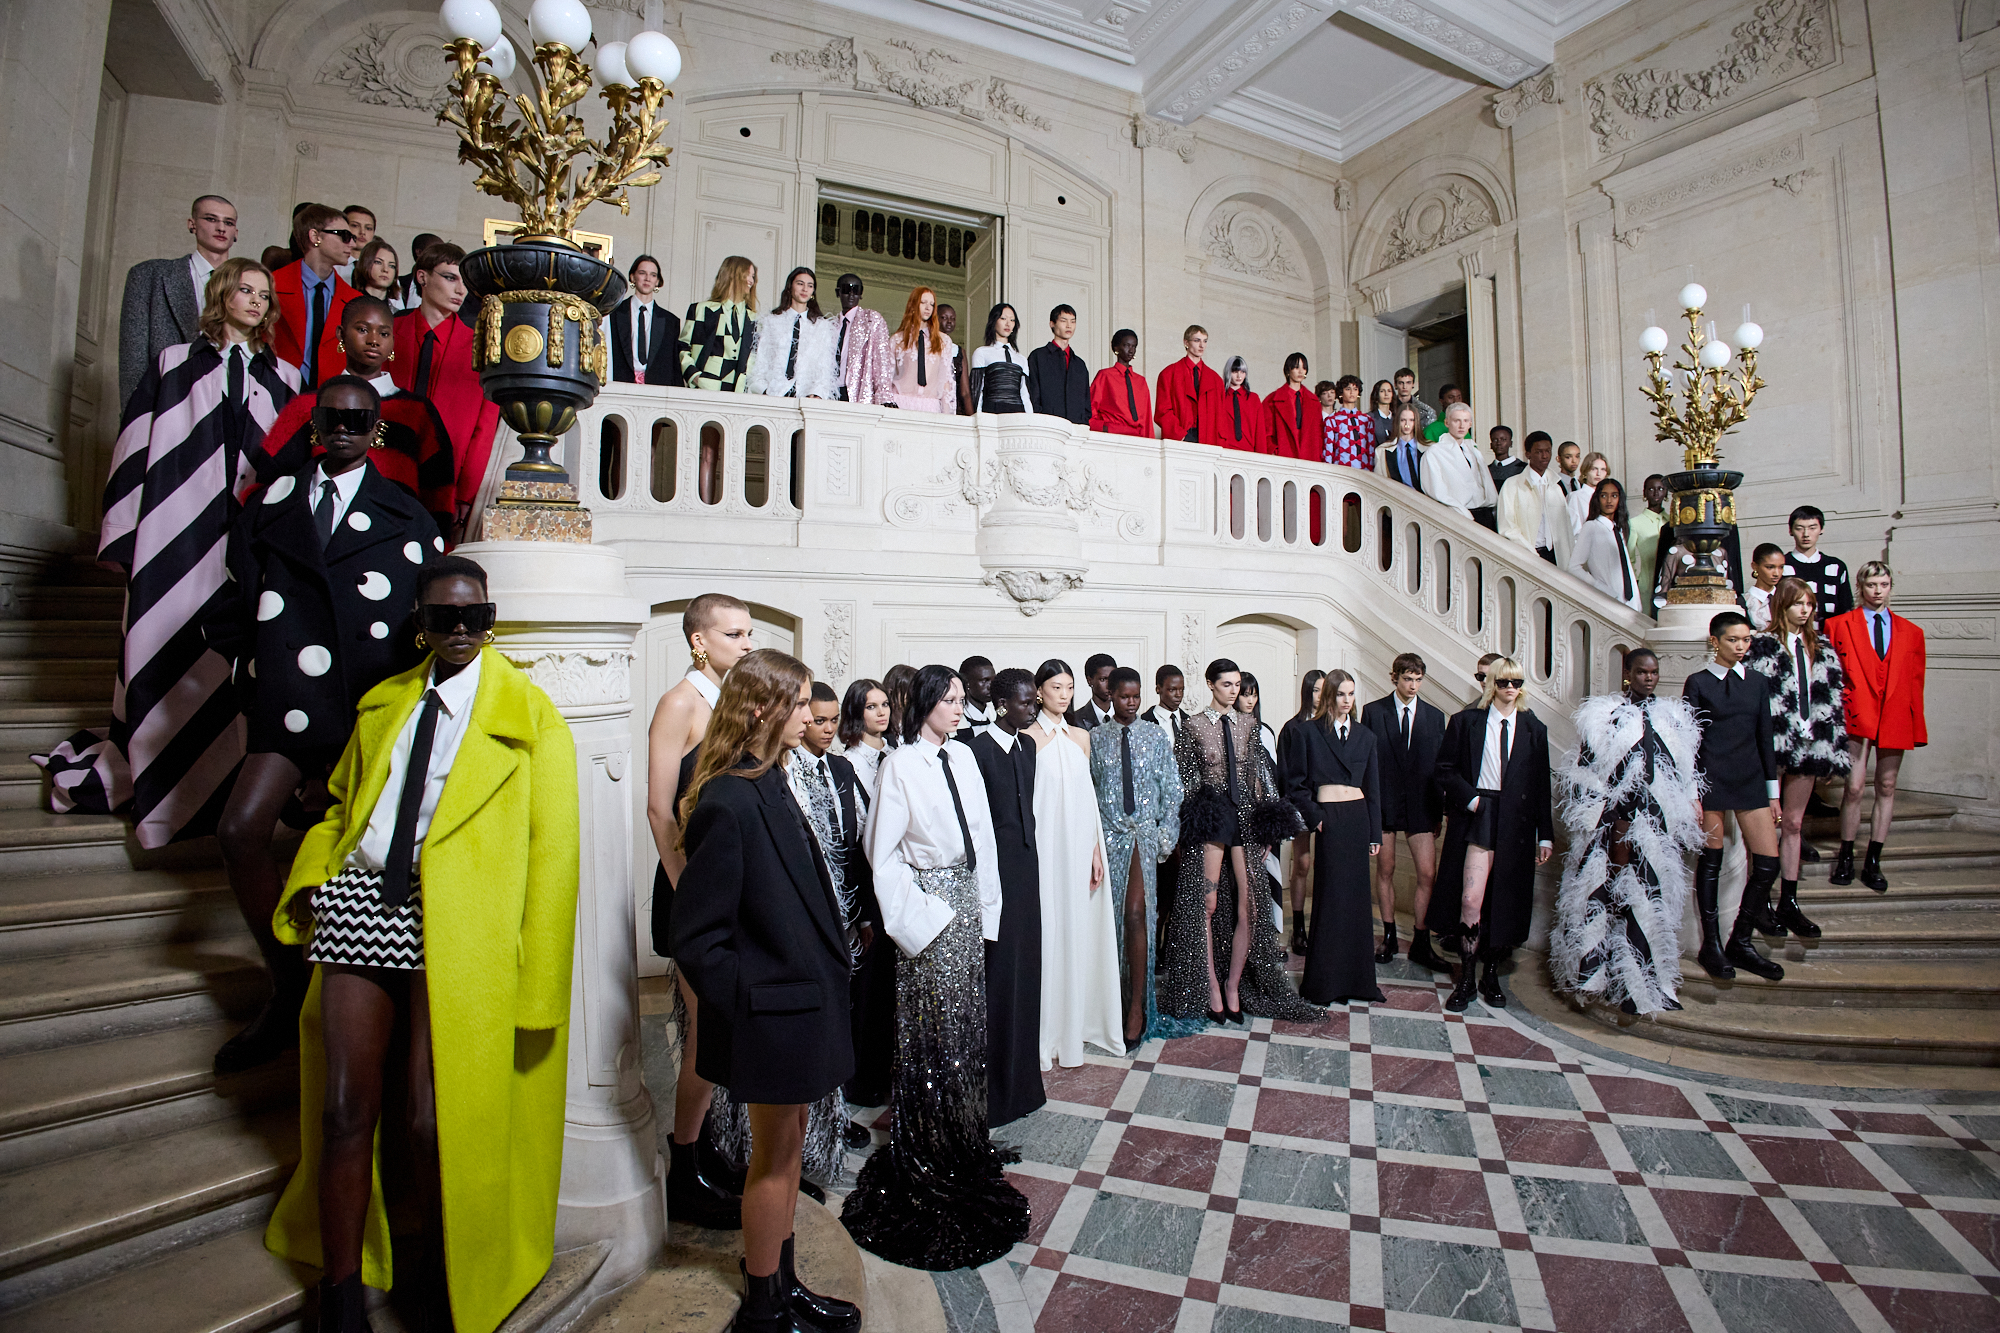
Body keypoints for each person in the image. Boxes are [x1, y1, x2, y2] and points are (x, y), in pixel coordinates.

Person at [263, 555, 578, 1333]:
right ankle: (341, 1295)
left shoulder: (531, 716)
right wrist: (314, 880)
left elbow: (555, 855)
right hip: (364, 898)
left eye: (477, 615)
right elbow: (342, 809)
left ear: (491, 619)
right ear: (420, 623)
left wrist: (540, 985)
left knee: (435, 1121)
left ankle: (445, 1289)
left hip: (463, 921)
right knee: (343, 1108)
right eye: (444, 617)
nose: (462, 630)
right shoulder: (385, 704)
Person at [203, 376, 440, 1073]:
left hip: (363, 717)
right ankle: (285, 985)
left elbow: (419, 633)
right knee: (240, 829)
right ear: (314, 423)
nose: (343, 428)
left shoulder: (406, 514)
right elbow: (235, 600)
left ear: (376, 429)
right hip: (284, 703)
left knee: (349, 855)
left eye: (358, 419)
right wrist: (252, 673)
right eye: (332, 416)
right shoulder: (270, 503)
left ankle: (352, 1004)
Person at [65, 259, 298, 847]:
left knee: (234, 663)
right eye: (244, 290)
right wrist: (122, 535)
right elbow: (133, 447)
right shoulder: (172, 364)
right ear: (221, 295)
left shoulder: (285, 377)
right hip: (173, 539)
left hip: (246, 543)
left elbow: (290, 464)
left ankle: (227, 792)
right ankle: (159, 789)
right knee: (162, 649)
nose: (255, 301)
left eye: (263, 294)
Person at [673, 653, 860, 1333]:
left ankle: (784, 1285)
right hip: (772, 1014)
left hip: (801, 1006)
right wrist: (752, 1006)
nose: (810, 715)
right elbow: (698, 936)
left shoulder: (770, 779)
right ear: (762, 709)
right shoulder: (728, 799)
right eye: (800, 703)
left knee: (789, 1149)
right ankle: (763, 1308)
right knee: (774, 1163)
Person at [842, 665, 1031, 1270]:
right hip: (931, 906)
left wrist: (987, 911)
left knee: (967, 1029)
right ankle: (928, 1146)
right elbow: (881, 854)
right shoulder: (901, 764)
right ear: (925, 704)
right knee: (932, 1033)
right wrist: (921, 918)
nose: (958, 708)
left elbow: (985, 840)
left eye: (959, 699)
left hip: (969, 899)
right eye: (949, 700)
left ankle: (964, 1136)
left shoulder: (965, 757)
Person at [645, 593, 756, 1230]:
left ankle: (709, 1150)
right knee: (704, 1034)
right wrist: (689, 891)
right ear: (698, 641)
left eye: (748, 633)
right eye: (734, 634)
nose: (746, 644)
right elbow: (660, 810)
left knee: (723, 1033)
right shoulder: (679, 703)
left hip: (729, 886)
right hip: (693, 889)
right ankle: (684, 1169)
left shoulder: (731, 703)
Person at [1159, 659, 1319, 1027]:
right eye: (1226, 684)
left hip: (1245, 818)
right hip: (1211, 819)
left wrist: (1268, 827)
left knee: (1251, 907)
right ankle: (1212, 988)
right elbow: (1183, 783)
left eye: (1237, 684)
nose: (1234, 691)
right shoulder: (1193, 726)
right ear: (1210, 685)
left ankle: (1233, 986)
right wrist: (1185, 831)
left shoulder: (1250, 725)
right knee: (1207, 904)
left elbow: (1261, 780)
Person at [1551, 649, 1704, 1015]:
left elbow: (1683, 771)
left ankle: (1641, 985)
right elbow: (1587, 768)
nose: (1648, 678)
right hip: (1613, 822)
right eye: (1641, 672)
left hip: (1656, 825)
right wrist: (1602, 812)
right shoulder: (1606, 716)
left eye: (1653, 672)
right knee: (1608, 898)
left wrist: (1689, 801)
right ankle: (1601, 977)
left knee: (1648, 900)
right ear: (1628, 673)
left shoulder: (1671, 717)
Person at [249, 297, 459, 535]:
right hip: (318, 535)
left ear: (393, 341)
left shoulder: (416, 411)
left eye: (384, 333)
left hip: (396, 539)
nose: (373, 340)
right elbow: (271, 482)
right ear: (341, 334)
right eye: (362, 330)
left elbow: (439, 491)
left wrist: (435, 542)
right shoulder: (306, 407)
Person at [1429, 660, 1554, 1012]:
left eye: (1517, 682)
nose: (1510, 688)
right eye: (1503, 682)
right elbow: (1444, 769)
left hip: (1516, 821)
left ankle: (1491, 974)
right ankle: (1467, 977)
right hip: (1478, 813)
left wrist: (1545, 835)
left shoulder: (1534, 728)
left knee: (1504, 902)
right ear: (1491, 684)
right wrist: (1470, 799)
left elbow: (1540, 785)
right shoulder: (1466, 721)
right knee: (1470, 900)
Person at [790, 680, 880, 1137]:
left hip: (845, 908)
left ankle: (837, 1110)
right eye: (818, 720)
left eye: (831, 721)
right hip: (808, 911)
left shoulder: (842, 768)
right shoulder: (788, 771)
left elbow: (853, 846)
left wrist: (861, 915)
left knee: (844, 1007)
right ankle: (813, 1118)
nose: (826, 729)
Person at [1091, 666, 1193, 1051]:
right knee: (1108, 923)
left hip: (1143, 838)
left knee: (1136, 914)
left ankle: (1137, 1007)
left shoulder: (1155, 735)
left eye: (1136, 697)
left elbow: (1173, 790)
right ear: (1110, 695)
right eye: (1124, 697)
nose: (1131, 703)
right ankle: (1109, 1004)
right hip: (1107, 840)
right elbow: (1090, 792)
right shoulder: (1095, 738)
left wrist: (1166, 835)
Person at [1681, 612, 1786, 981]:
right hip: (1710, 782)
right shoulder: (1698, 682)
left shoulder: (1757, 682)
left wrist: (1773, 793)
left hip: (1750, 780)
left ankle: (1740, 941)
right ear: (1715, 641)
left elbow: (1765, 738)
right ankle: (1711, 945)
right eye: (1733, 640)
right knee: (1711, 861)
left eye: (1746, 640)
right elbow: (1689, 742)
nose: (1741, 646)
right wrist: (1692, 792)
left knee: (1768, 864)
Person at [1027, 661, 1118, 1066]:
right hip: (1045, 849)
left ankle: (1079, 1024)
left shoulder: (1082, 737)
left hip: (1081, 845)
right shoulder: (1026, 740)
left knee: (1080, 929)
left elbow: (1089, 800)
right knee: (1050, 930)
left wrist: (1095, 852)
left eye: (1068, 688)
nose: (1064, 695)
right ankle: (1047, 1031)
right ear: (1038, 691)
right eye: (1055, 687)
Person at [1747, 577, 1849, 937]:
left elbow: (1833, 704)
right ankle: (1759, 902)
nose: (1804, 610)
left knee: (1793, 824)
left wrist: (1830, 749)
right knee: (1766, 826)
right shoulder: (1763, 645)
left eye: (1809, 604)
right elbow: (1756, 703)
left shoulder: (1822, 647)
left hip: (1810, 743)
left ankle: (1789, 902)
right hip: (1774, 743)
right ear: (1782, 606)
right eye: (1797, 604)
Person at [968, 668, 1045, 1126]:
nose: (1034, 708)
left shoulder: (1028, 747)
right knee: (998, 978)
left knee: (1027, 974)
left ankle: (1023, 1086)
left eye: (1035, 701)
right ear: (1001, 705)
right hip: (994, 879)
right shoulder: (974, 752)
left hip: (1027, 873)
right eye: (1025, 702)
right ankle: (993, 1091)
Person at [1284, 669, 1385, 1006]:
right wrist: (1316, 818)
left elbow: (1373, 788)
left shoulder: (1366, 736)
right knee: (1330, 897)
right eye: (1341, 694)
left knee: (1357, 900)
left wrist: (1375, 832)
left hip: (1357, 819)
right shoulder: (1307, 733)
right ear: (1328, 696)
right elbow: (1296, 784)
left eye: (1351, 694)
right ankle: (1324, 984)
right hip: (1329, 819)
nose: (1347, 700)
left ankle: (1359, 982)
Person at [1826, 562, 1926, 892]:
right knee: (1854, 787)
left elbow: (1915, 683)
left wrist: (1916, 725)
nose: (1878, 590)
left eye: (1883, 584)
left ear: (1890, 586)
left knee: (1886, 784)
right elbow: (1828, 676)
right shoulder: (1838, 625)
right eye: (1871, 585)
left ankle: (1873, 861)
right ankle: (1845, 856)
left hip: (1895, 714)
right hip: (1855, 712)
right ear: (1860, 587)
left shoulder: (1911, 632)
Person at [391, 244, 498, 540]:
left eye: (465, 282)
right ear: (422, 277)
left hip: (444, 482)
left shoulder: (479, 348)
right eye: (450, 278)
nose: (460, 290)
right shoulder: (388, 333)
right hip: (384, 468)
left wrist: (466, 494)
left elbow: (484, 428)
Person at [1362, 654, 1447, 971]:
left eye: (1418, 679)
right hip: (1384, 803)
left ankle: (1421, 942)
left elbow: (1440, 768)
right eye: (1408, 679)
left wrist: (1438, 811)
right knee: (1385, 869)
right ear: (1394, 677)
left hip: (1421, 805)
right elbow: (1365, 763)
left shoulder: (1435, 717)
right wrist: (1368, 810)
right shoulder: (1374, 712)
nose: (1413, 685)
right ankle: (1389, 936)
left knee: (1427, 874)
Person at [119, 193, 239, 412]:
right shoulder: (150, 275)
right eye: (211, 219)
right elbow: (133, 358)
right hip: (168, 402)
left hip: (229, 405)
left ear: (236, 233)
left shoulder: (251, 286)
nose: (221, 228)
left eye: (228, 222)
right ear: (192, 224)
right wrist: (134, 418)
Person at [272, 204, 358, 389]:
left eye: (352, 238)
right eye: (344, 235)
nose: (352, 244)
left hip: (330, 395)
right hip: (276, 390)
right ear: (315, 236)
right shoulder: (271, 286)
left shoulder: (354, 300)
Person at [1276, 671, 1325, 955]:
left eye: (1324, 690)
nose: (1320, 695)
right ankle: (1298, 927)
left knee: (1326, 865)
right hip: (1300, 804)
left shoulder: (1331, 725)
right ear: (1307, 692)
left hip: (1329, 805)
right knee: (1302, 864)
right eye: (1316, 690)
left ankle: (1322, 924)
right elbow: (1285, 772)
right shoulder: (1292, 728)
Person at [747, 266, 838, 399]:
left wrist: (818, 394)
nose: (805, 289)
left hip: (806, 396)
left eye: (810, 285)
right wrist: (763, 390)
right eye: (800, 284)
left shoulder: (822, 326)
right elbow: (761, 359)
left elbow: (825, 366)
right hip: (774, 393)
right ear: (790, 287)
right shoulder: (772, 321)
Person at [681, 255, 757, 391]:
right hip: (706, 388)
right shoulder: (701, 310)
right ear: (733, 275)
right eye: (748, 275)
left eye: (753, 276)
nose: (751, 281)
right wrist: (695, 376)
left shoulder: (755, 319)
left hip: (740, 392)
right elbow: (683, 346)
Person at [1498, 431, 1574, 566]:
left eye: (1548, 451)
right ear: (1528, 454)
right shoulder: (1512, 485)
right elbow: (1507, 527)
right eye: (1539, 452)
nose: (1545, 456)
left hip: (1557, 555)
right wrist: (1529, 553)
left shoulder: (1555, 486)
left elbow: (1566, 527)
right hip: (1530, 554)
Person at [1567, 477, 1643, 609]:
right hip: (1609, 601)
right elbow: (1574, 567)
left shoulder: (1618, 530)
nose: (1609, 501)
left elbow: (1626, 570)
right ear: (1597, 498)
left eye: (1614, 496)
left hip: (1631, 604)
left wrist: (1636, 601)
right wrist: (1600, 588)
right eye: (1604, 496)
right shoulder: (1591, 527)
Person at [609, 253, 682, 386]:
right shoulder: (614, 314)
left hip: (656, 389)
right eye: (642, 273)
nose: (647, 278)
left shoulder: (670, 321)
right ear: (633, 277)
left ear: (657, 281)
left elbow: (673, 366)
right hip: (619, 386)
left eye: (653, 275)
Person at [1419, 402, 1496, 519]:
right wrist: (1463, 514)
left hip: (1484, 512)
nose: (1461, 426)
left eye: (1465, 421)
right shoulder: (1434, 453)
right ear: (1447, 423)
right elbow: (1436, 492)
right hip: (1459, 515)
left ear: (1470, 424)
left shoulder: (1474, 450)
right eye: (1456, 421)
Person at [887, 286, 956, 412]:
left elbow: (946, 380)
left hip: (931, 405)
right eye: (923, 302)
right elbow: (887, 376)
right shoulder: (897, 339)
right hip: (900, 403)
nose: (928, 307)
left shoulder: (943, 341)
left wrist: (947, 414)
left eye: (931, 304)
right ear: (914, 304)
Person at [1781, 505, 1854, 624]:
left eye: (1812, 528)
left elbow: (1846, 608)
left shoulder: (1836, 566)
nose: (1806, 534)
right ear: (1790, 530)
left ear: (1821, 529)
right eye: (1799, 528)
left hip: (1830, 633)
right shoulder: (1781, 566)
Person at [832, 273, 895, 404]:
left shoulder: (872, 319)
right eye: (846, 289)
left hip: (858, 394)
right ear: (838, 292)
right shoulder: (830, 325)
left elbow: (881, 361)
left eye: (856, 290)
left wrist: (884, 396)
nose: (851, 294)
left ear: (861, 294)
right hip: (830, 391)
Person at [1154, 325, 1224, 443]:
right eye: (1197, 340)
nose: (1202, 345)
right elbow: (1162, 411)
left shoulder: (1216, 380)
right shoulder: (1168, 374)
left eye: (1205, 341)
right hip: (1180, 439)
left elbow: (1221, 419)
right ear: (1186, 342)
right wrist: (1181, 436)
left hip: (1208, 441)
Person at [1028, 303, 1091, 424]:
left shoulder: (1079, 365)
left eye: (1073, 321)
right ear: (1052, 323)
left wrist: (1082, 423)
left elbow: (1086, 403)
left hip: (1075, 428)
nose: (1069, 325)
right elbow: (1033, 395)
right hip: (1047, 425)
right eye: (1063, 321)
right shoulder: (1038, 356)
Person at [1089, 328, 1154, 437]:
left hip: (1137, 437)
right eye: (1127, 345)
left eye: (1134, 346)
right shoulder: (1105, 375)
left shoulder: (1141, 381)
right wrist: (1100, 427)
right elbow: (1091, 406)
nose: (1131, 350)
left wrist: (1150, 442)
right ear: (1116, 347)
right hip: (1112, 434)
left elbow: (1147, 418)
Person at [969, 303, 1031, 413]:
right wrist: (978, 417)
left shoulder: (1021, 359)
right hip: (992, 412)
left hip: (1018, 413)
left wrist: (1030, 418)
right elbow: (977, 391)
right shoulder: (982, 352)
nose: (1008, 323)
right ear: (994, 321)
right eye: (1003, 318)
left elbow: (1025, 395)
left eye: (1012, 320)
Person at [839, 677, 893, 800]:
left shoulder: (896, 754)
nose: (881, 712)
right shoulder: (848, 763)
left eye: (885, 704)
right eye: (871, 707)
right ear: (856, 711)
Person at [1265, 354, 1323, 459]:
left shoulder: (1314, 402)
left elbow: (1319, 434)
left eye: (1304, 368)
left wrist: (1318, 455)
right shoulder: (1272, 400)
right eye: (1296, 367)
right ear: (1288, 369)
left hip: (1310, 458)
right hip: (1283, 457)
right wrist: (1273, 451)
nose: (1301, 371)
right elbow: (1266, 432)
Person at [1629, 474, 1669, 610]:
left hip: (1670, 585)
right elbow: (1630, 558)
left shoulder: (1673, 522)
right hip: (1647, 584)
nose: (1656, 493)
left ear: (1666, 492)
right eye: (1651, 489)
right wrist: (1634, 583)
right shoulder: (1634, 523)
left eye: (1661, 489)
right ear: (1644, 493)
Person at [1218, 356, 1267, 451]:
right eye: (1235, 372)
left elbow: (1260, 432)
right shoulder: (1220, 397)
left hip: (1248, 451)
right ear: (1228, 372)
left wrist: (1261, 456)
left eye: (1242, 372)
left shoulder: (1253, 399)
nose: (1239, 376)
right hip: (1224, 450)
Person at [1324, 375, 1373, 468]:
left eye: (1355, 389)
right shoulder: (1332, 420)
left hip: (1364, 470)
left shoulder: (1367, 420)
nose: (1352, 392)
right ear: (1341, 392)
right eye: (1348, 389)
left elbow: (1371, 449)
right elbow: (1328, 451)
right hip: (1341, 469)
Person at [1377, 405, 1424, 490]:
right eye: (1403, 420)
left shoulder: (1429, 449)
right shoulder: (1382, 451)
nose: (1407, 424)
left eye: (1411, 420)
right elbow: (1380, 484)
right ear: (1397, 421)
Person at [1067, 652, 1117, 730]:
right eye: (1103, 679)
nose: (1109, 685)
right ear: (1089, 680)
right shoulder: (1074, 720)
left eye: (1113, 678)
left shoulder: (1126, 717)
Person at [937, 303, 971, 414]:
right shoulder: (927, 347)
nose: (949, 321)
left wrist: (972, 417)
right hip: (933, 405)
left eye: (953, 318)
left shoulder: (959, 351)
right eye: (944, 317)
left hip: (955, 409)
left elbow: (965, 391)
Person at [349, 238, 402, 309]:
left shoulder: (396, 313)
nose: (385, 269)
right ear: (366, 263)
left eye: (392, 266)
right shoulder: (350, 307)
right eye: (378, 262)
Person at [1566, 451, 1611, 533]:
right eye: (1594, 469)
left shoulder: (1608, 497)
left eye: (1603, 469)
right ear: (1585, 471)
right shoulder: (1576, 496)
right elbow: (1574, 531)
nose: (1599, 473)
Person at [1746, 542, 1786, 631]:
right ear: (1755, 566)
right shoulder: (1744, 603)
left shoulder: (1787, 598)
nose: (1776, 573)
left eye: (1781, 567)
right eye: (1770, 567)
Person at [395, 233, 441, 308]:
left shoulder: (443, 286)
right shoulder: (398, 283)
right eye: (436, 251)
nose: (441, 256)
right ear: (419, 252)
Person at [334, 205, 377, 285]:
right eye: (355, 226)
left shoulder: (381, 267)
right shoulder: (332, 265)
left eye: (368, 228)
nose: (362, 232)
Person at [956, 654, 996, 739]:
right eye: (985, 681)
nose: (991, 686)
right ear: (967, 683)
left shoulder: (996, 714)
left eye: (993, 680)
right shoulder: (956, 719)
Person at [1391, 367, 1435, 431]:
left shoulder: (1427, 412)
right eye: (1401, 383)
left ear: (1413, 384)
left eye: (1408, 382)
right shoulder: (1388, 407)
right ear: (1395, 385)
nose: (1404, 387)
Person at [1367, 378, 1398, 446]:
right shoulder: (1369, 418)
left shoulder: (1398, 418)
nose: (1386, 394)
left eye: (1389, 391)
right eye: (1382, 391)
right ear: (1376, 395)